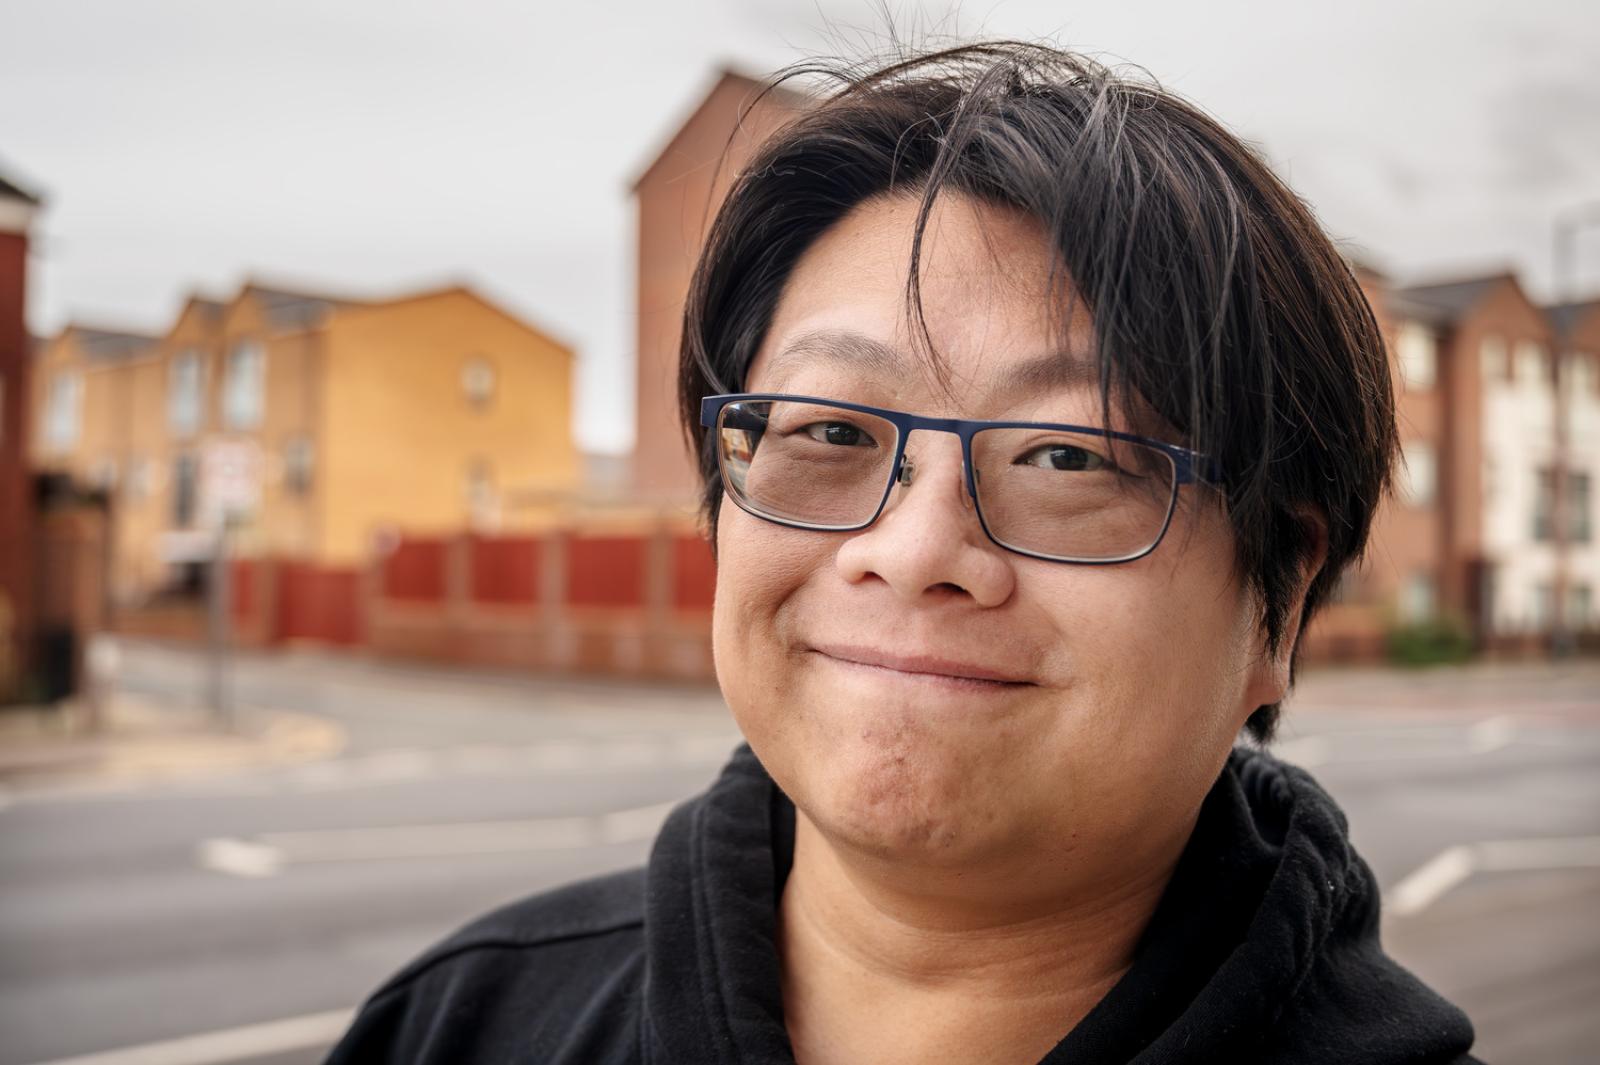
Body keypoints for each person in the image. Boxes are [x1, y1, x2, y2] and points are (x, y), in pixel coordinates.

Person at [326, 42, 1481, 1064]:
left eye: (1069, 458)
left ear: (1276, 607)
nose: (915, 549)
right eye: (829, 430)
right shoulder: (462, 1023)